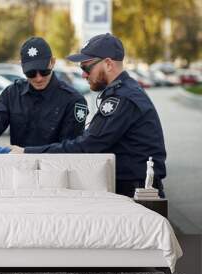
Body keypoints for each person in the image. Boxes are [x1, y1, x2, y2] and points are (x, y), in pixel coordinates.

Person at [11, 33, 167, 198]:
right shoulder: (124, 92)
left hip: (137, 194)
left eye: (86, 68)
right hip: (131, 189)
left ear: (108, 64)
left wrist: (27, 153)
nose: (84, 75)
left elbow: (87, 146)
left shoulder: (122, 99)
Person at [0, 36, 88, 147]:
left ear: (52, 62)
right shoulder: (12, 94)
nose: (38, 78)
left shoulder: (73, 100)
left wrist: (28, 153)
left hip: (54, 164)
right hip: (19, 164)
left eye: (44, 71)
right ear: (22, 67)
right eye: (31, 73)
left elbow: (69, 148)